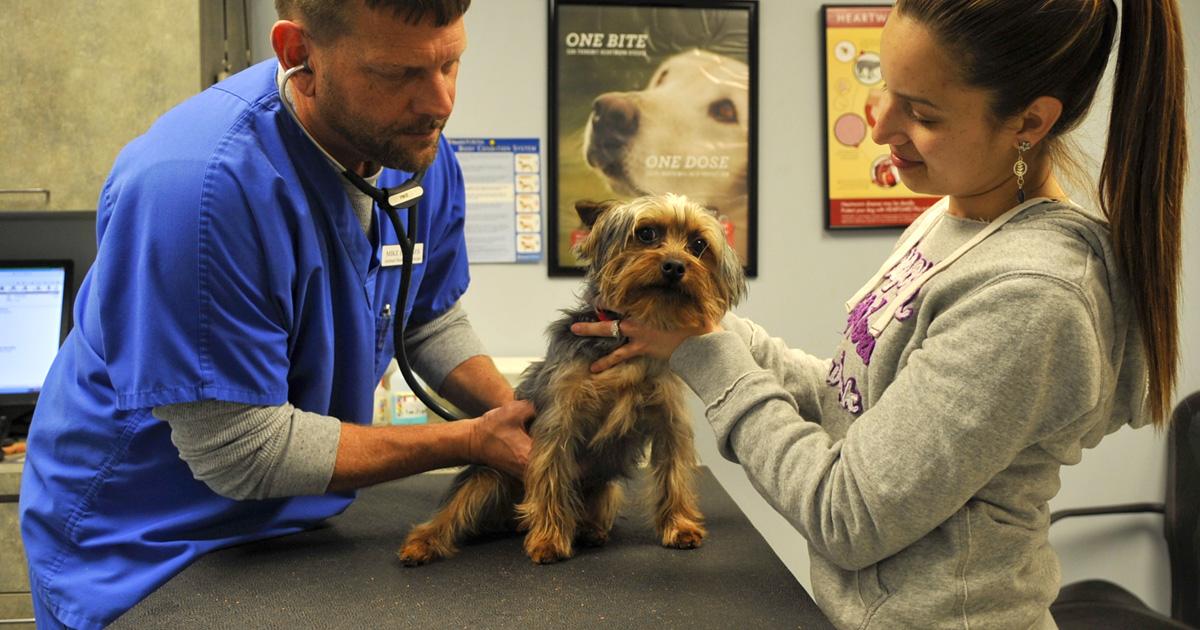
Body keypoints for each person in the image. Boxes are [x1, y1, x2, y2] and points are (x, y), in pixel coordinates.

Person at [575, 0, 1185, 628]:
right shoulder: (955, 217)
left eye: (921, 112)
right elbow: (858, 406)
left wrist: (708, 356)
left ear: (1029, 121)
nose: (881, 126)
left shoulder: (1033, 293)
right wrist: (705, 327)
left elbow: (848, 514)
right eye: (884, 89)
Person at [19, 1, 535, 628]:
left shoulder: (411, 146)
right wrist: (471, 439)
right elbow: (241, 448)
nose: (439, 102)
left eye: (451, 63)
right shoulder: (198, 188)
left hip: (296, 526)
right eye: (397, 74)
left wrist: (519, 422)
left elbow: (424, 316)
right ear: (299, 55)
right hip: (141, 546)